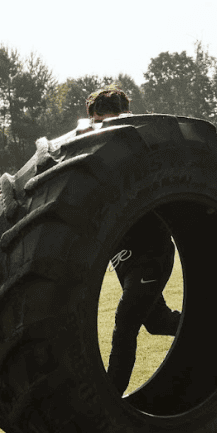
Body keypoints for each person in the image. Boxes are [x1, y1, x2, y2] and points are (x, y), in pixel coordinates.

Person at [81, 86, 181, 392]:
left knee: (125, 324)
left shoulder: (140, 151)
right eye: (97, 123)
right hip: (125, 260)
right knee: (158, 322)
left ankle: (110, 396)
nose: (102, 130)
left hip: (150, 255)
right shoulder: (93, 156)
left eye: (108, 122)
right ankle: (216, 328)